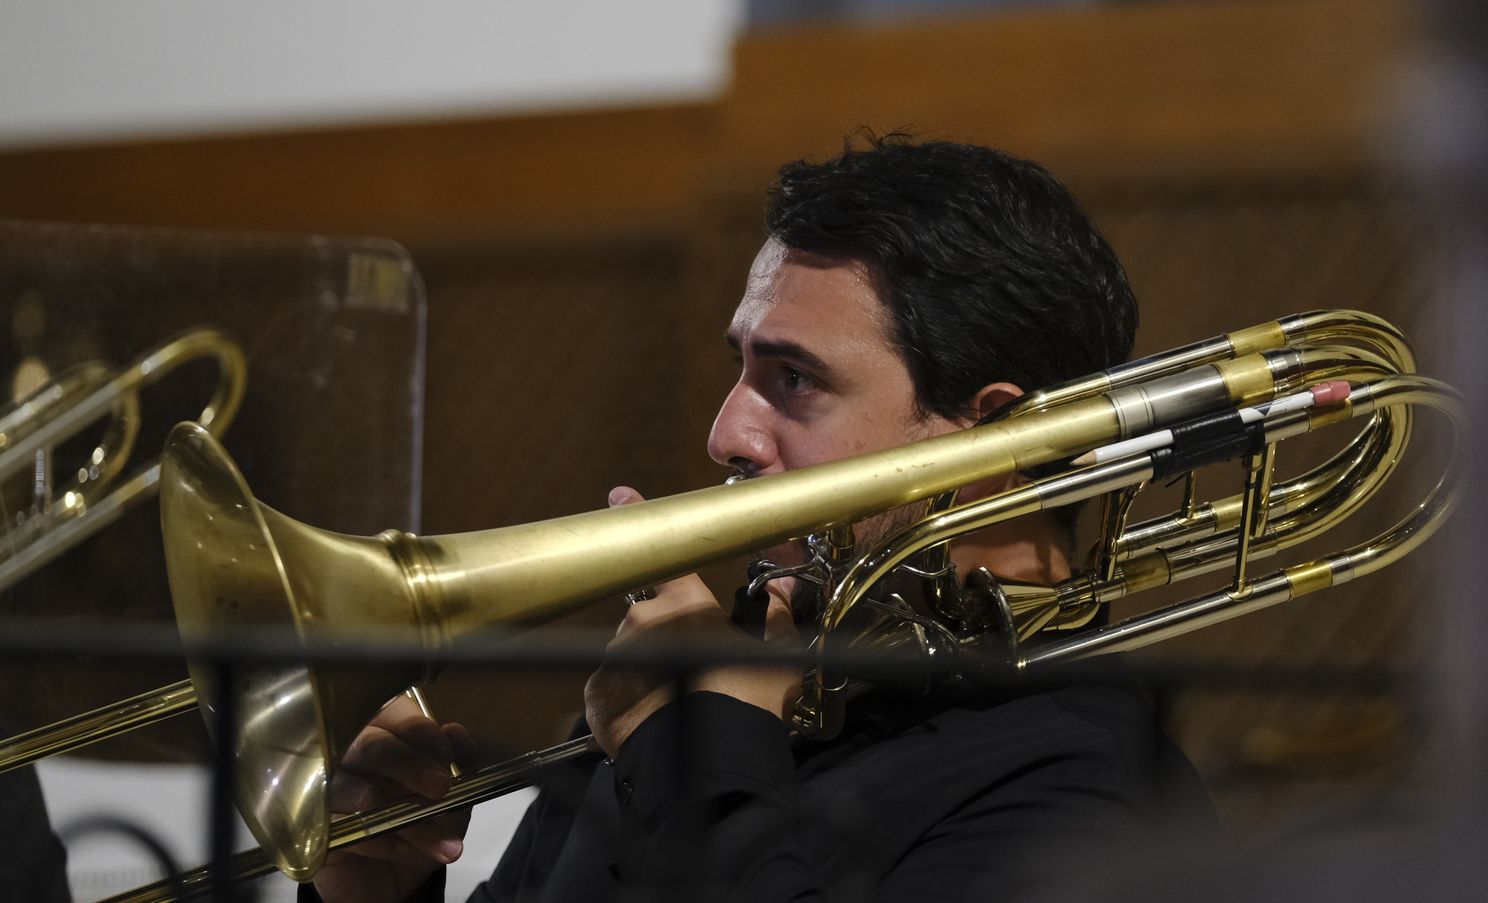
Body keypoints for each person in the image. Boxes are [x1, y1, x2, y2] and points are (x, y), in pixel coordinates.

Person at [308, 132, 1209, 903]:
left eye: (796, 380)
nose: (724, 434)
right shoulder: (729, 659)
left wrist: (699, 768)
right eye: (741, 367)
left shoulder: (1089, 787)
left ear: (997, 437)